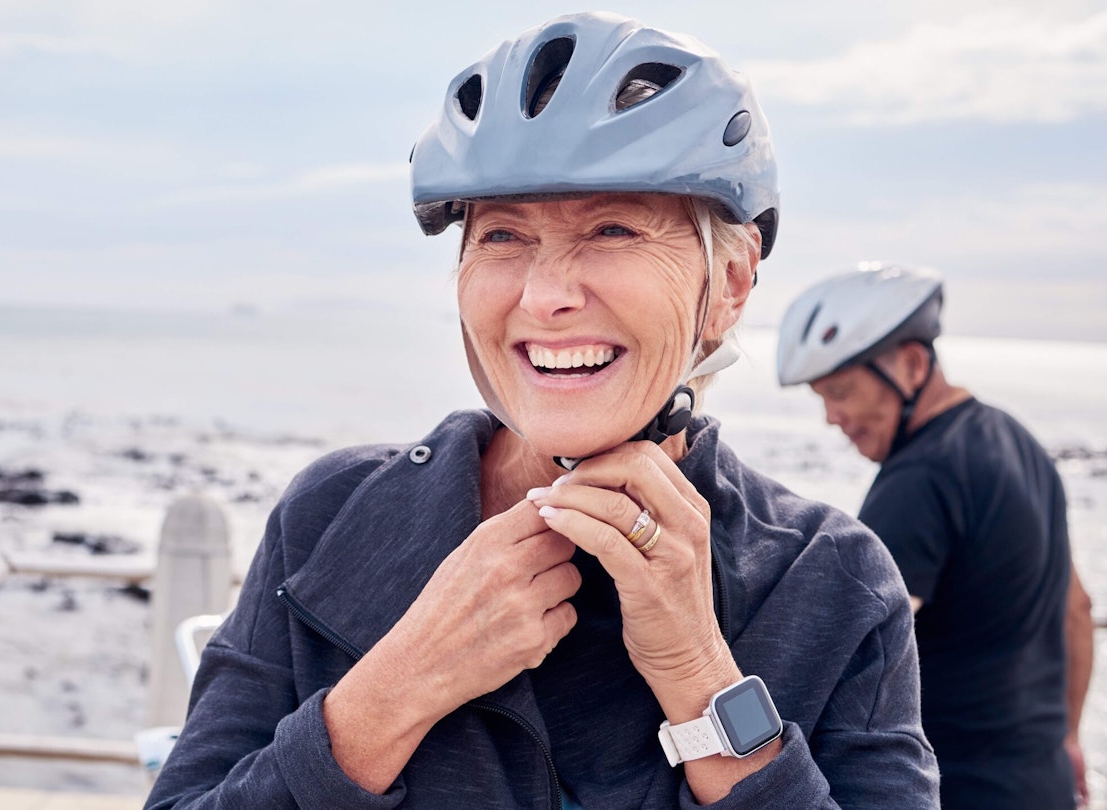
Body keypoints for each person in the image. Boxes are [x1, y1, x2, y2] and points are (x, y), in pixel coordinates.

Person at [147, 13, 937, 808]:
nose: (547, 296)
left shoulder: (830, 579)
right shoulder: (331, 516)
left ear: (729, 285)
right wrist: (399, 683)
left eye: (613, 229)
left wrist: (699, 674)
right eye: (502, 237)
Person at [777, 263, 1094, 809]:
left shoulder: (918, 482)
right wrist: (1066, 737)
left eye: (843, 391)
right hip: (1042, 781)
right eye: (821, 397)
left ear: (913, 364)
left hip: (958, 785)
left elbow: (844, 651)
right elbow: (1077, 610)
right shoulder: (1016, 440)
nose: (833, 417)